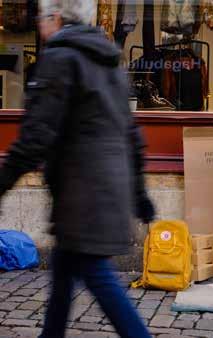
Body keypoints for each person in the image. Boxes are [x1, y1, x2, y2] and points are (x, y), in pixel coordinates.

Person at [0, 1, 155, 337]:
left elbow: (36, 135)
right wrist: (139, 194)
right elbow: (132, 135)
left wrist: (3, 180)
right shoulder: (110, 60)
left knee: (96, 275)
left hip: (82, 195)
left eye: (41, 17)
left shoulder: (60, 58)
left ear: (55, 17)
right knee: (64, 269)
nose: (39, 24)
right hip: (102, 189)